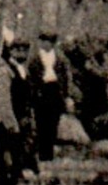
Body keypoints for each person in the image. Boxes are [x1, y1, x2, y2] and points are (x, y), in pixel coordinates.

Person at [0, 35, 33, 185]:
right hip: (5, 124)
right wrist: (11, 124)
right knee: (5, 163)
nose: (22, 53)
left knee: (15, 163)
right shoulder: (5, 70)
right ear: (12, 51)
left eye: (25, 50)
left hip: (19, 122)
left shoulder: (22, 70)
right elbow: (3, 100)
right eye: (18, 50)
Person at [28, 29, 74, 163]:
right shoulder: (35, 59)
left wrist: (67, 95)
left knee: (53, 123)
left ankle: (49, 152)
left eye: (49, 42)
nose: (45, 44)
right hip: (41, 92)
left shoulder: (61, 58)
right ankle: (43, 153)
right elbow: (31, 77)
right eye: (43, 41)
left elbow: (67, 77)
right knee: (41, 123)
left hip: (55, 92)